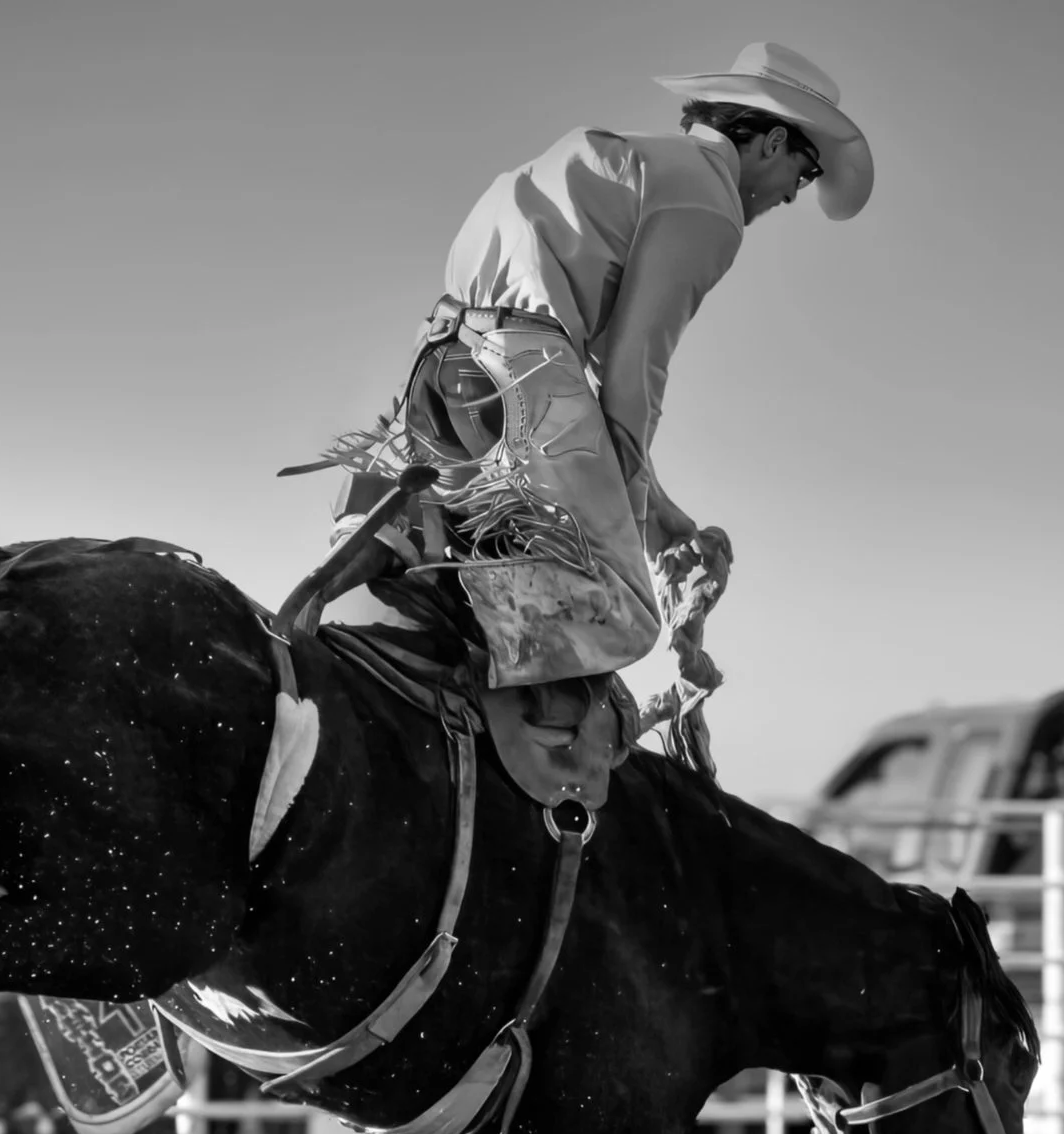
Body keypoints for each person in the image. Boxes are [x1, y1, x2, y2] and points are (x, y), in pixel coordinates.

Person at [324, 43, 873, 774]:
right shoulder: (710, 205)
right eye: (802, 175)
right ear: (772, 140)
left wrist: (659, 514)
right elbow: (630, 375)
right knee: (621, 610)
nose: (790, 196)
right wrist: (640, 539)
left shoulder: (623, 161)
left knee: (533, 545)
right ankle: (448, 624)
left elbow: (584, 381)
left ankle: (401, 547)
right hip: (527, 373)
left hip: (446, 366)